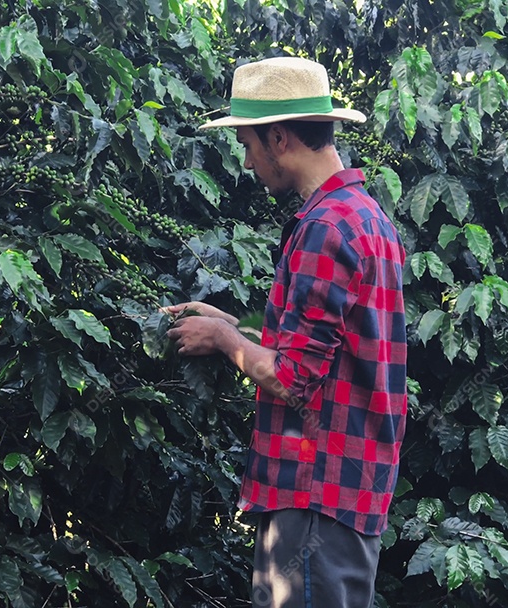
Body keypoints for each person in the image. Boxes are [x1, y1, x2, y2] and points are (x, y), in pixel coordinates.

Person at [164, 56, 407, 608]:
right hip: (342, 493)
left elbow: (295, 379)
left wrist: (227, 344)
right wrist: (230, 325)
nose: (248, 163)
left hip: (315, 494)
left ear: (278, 138)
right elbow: (320, 350)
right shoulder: (364, 217)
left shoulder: (326, 227)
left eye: (248, 145)